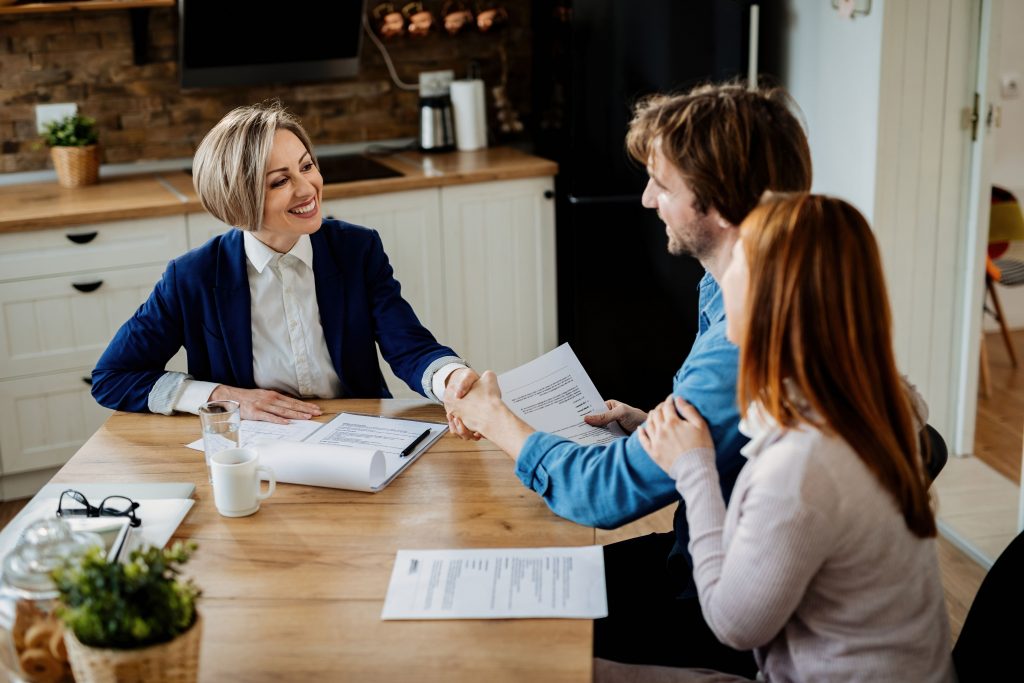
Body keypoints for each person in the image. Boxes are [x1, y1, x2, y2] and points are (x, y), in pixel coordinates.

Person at [446, 82, 811, 673]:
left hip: (718, 605)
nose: (646, 199)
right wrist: (651, 427)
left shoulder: (741, 341)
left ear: (716, 204)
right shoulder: (728, 287)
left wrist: (497, 421)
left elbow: (603, 496)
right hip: (699, 554)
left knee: (497, 630)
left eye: (662, 185)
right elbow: (733, 434)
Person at [625, 193, 952, 681]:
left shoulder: (805, 463)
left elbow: (734, 626)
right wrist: (667, 432)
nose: (720, 275)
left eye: (736, 261)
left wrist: (694, 470)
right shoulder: (874, 398)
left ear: (770, 298)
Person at [92, 101, 478, 428]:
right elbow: (112, 378)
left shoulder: (357, 249)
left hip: (358, 430)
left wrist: (454, 380)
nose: (307, 189)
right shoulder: (192, 276)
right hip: (254, 444)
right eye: (280, 181)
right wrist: (223, 397)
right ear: (237, 199)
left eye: (307, 166)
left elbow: (409, 347)